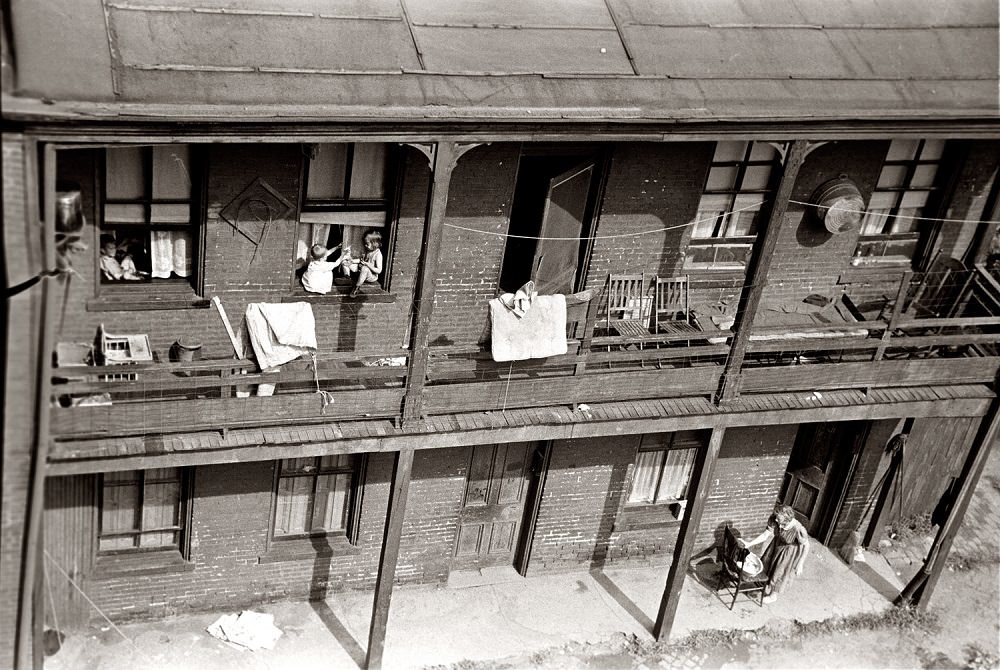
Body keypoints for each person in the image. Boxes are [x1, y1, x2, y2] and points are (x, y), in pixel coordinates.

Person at [739, 503, 810, 603]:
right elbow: (765, 535)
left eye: (778, 518)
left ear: (786, 518)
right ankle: (762, 586)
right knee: (767, 564)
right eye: (776, 517)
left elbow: (806, 545)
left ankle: (773, 596)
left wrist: (800, 563)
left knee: (779, 571)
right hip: (776, 544)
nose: (776, 520)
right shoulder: (775, 519)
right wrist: (749, 544)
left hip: (788, 551)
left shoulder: (798, 529)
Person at [343, 230, 383, 298]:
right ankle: (347, 277)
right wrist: (351, 261)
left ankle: (356, 288)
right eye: (365, 243)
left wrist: (368, 264)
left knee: (365, 269)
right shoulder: (368, 250)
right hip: (360, 271)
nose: (365, 245)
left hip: (371, 276)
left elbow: (379, 271)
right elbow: (360, 260)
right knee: (344, 261)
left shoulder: (378, 255)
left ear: (375, 243)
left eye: (367, 243)